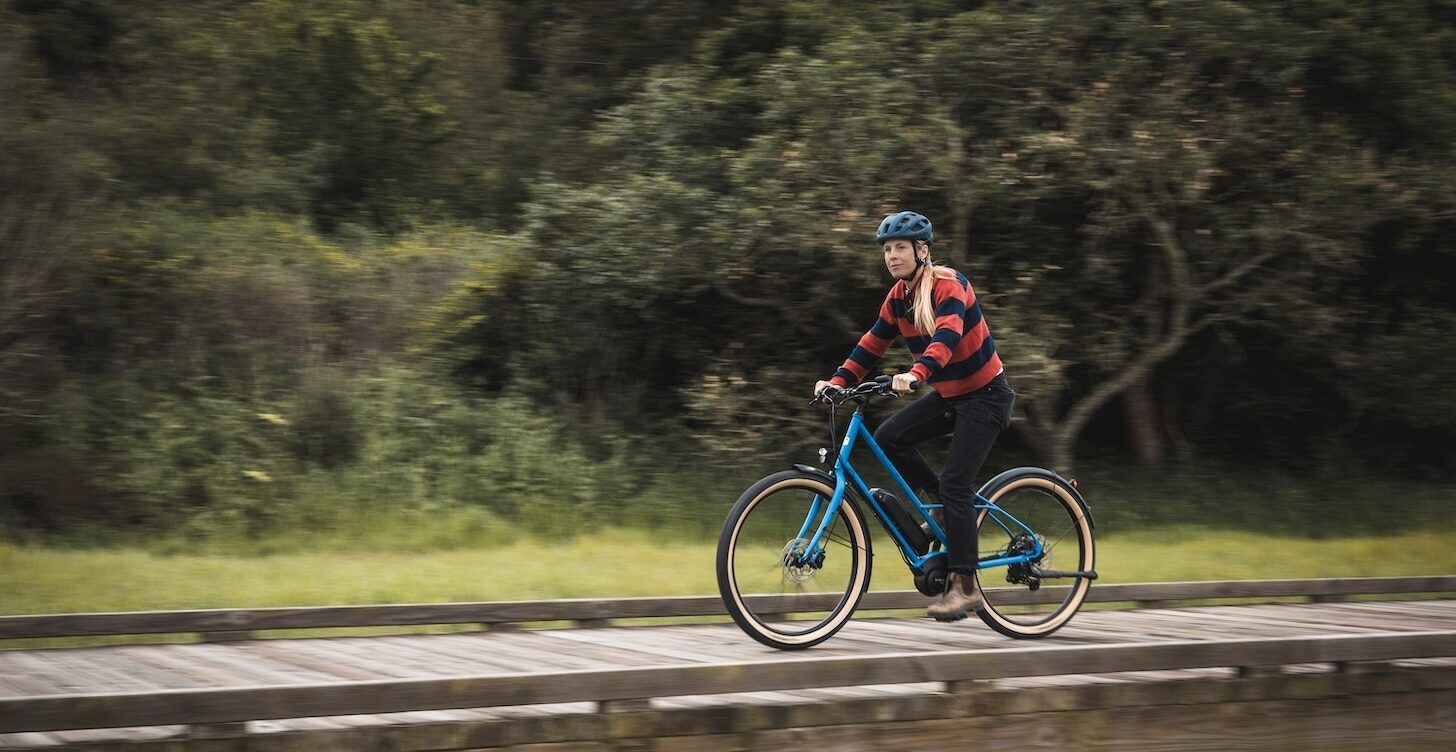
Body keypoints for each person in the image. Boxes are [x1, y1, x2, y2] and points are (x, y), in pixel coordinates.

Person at [814, 210, 1015, 622]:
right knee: (890, 438)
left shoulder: (949, 285)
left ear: (921, 250)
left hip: (986, 396)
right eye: (887, 249)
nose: (891, 256)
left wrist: (916, 373)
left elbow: (947, 335)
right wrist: (838, 380)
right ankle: (940, 504)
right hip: (950, 394)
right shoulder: (897, 298)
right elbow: (872, 343)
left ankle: (965, 587)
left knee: (957, 484)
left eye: (900, 247)